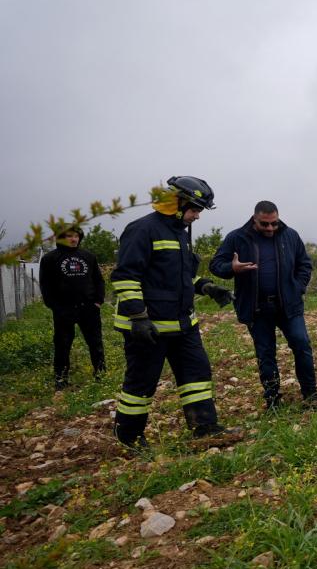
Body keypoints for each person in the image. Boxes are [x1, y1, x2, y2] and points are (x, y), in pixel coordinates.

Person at [109, 176, 239, 450]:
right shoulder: (142, 229)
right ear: (176, 203)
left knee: (197, 375)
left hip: (183, 325)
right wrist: (139, 318)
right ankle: (128, 437)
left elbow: (178, 279)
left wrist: (207, 287)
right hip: (148, 328)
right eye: (195, 209)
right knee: (141, 384)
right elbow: (125, 277)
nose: (197, 215)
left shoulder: (180, 232)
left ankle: (204, 427)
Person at [210, 200, 317, 410]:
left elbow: (304, 264)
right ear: (255, 220)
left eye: (274, 223)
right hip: (257, 308)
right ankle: (272, 400)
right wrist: (232, 268)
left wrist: (297, 287)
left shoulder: (290, 235)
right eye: (265, 224)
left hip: (289, 306)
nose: (270, 228)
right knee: (266, 354)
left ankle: (311, 394)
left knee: (302, 346)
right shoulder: (237, 238)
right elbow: (216, 265)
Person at [39, 225, 106, 389]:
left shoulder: (88, 256)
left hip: (89, 308)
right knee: (62, 344)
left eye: (76, 236)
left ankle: (101, 374)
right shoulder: (50, 259)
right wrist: (55, 306)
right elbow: (45, 285)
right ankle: (61, 379)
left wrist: (98, 301)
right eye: (69, 236)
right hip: (64, 309)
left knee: (95, 342)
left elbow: (98, 280)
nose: (73, 239)